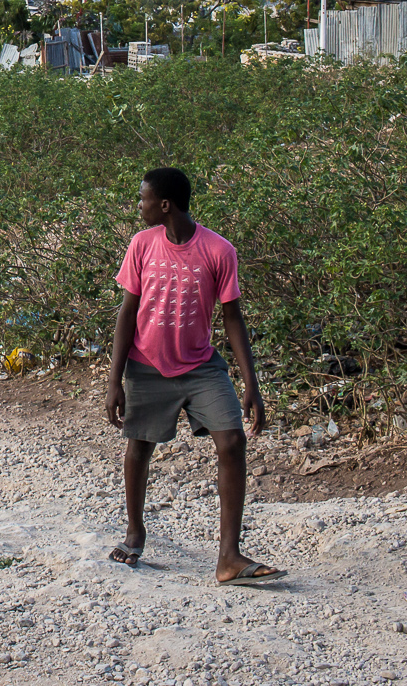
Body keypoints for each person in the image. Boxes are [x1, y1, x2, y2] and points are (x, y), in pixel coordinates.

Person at [106, 167, 284, 585]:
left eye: (143, 198)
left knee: (233, 440)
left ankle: (229, 557)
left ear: (164, 204)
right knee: (139, 447)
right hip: (147, 365)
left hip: (202, 365)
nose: (140, 205)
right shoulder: (142, 245)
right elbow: (127, 313)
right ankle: (134, 534)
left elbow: (233, 319)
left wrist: (251, 384)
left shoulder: (219, 251)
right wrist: (115, 380)